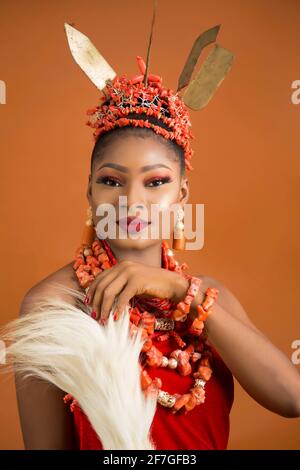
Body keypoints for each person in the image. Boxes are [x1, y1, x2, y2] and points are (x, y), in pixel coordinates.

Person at [2, 19, 300, 451]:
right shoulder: (54, 305)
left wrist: (181, 291)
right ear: (90, 190)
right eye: (112, 180)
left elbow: (291, 398)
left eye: (156, 182)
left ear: (182, 193)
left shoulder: (210, 298)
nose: (132, 202)